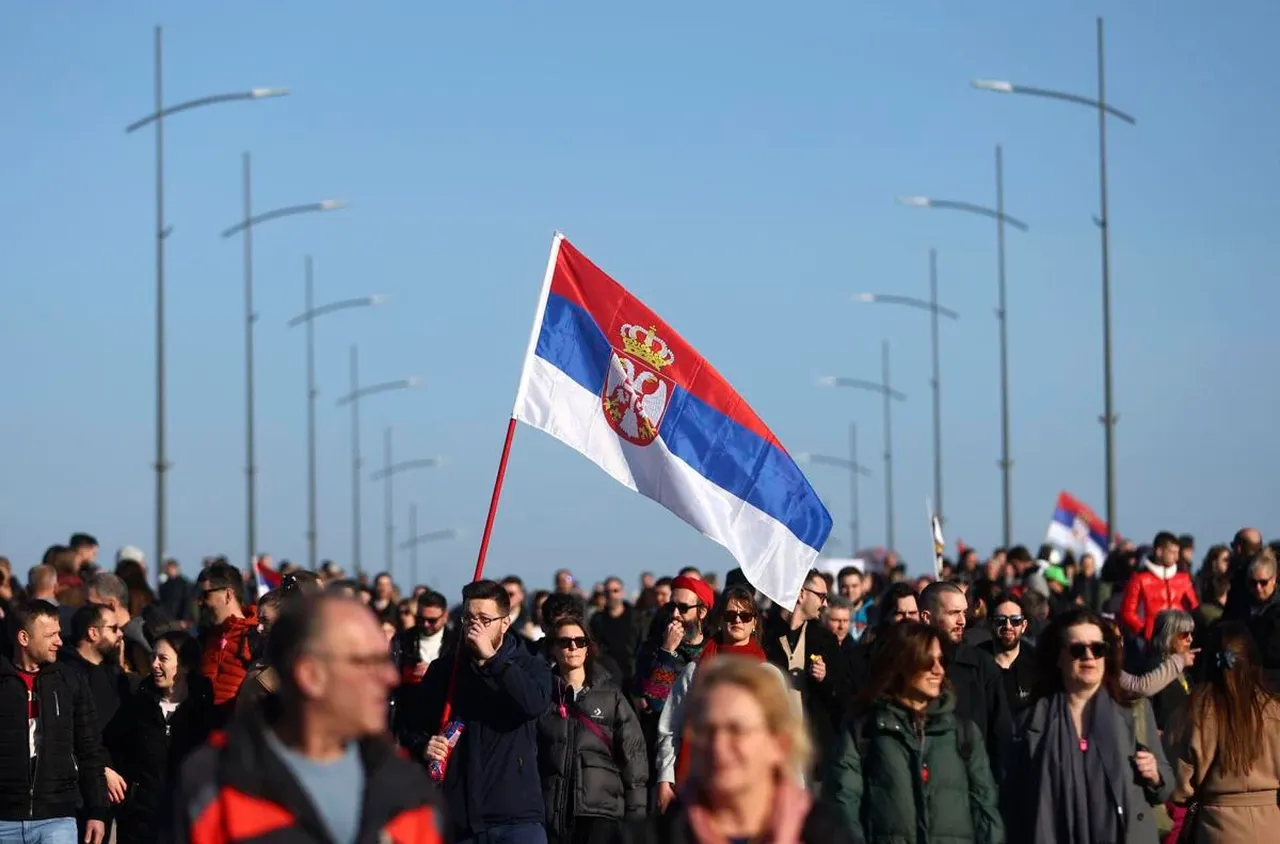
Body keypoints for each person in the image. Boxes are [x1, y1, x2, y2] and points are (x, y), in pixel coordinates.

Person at [166, 594, 443, 842]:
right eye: (366, 662)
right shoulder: (215, 786)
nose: (390, 677)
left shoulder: (405, 789)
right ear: (310, 674)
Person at [612, 656, 855, 844]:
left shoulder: (825, 835)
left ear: (779, 744)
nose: (718, 746)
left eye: (737, 730)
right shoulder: (650, 837)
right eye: (707, 730)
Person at [1003, 607, 1174, 843]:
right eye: (1077, 649)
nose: (1089, 656)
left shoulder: (1134, 712)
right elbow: (1011, 803)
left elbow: (1165, 787)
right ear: (1058, 657)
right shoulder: (1029, 722)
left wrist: (1155, 775)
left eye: (1098, 649)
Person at [825, 622, 1004, 843]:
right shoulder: (865, 732)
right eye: (928, 661)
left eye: (941, 661)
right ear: (902, 663)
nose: (938, 670)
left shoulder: (963, 734)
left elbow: (985, 810)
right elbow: (843, 806)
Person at [414, 580, 554, 844]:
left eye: (485, 620)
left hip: (516, 815)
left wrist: (493, 660)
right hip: (461, 818)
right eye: (469, 618)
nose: (475, 626)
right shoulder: (445, 670)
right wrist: (425, 745)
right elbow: (412, 726)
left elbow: (533, 704)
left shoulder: (530, 666)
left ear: (505, 622)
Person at [0, 599, 108, 844]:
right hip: (4, 819)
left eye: (59, 633)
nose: (59, 641)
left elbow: (89, 748)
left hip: (57, 818)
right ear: (24, 638)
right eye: (50, 635)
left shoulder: (70, 680)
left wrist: (98, 811)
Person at [1166, 621, 1280, 843]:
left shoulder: (1191, 714)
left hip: (1217, 829)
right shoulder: (1274, 711)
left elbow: (1176, 787)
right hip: (1272, 827)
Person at [655, 586, 767, 809]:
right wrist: (665, 779)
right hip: (700, 782)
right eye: (730, 615)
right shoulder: (695, 670)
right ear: (720, 620)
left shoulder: (768, 675)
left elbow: (783, 734)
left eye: (745, 616)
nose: (737, 620)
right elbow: (671, 727)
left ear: (754, 623)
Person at [537, 618, 647, 844]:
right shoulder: (541, 695)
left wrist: (636, 816)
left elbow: (634, 756)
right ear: (553, 648)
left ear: (588, 648)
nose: (573, 647)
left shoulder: (611, 695)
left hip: (600, 813)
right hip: (551, 813)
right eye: (565, 642)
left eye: (580, 641)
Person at [110, 631, 213, 844]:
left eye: (163, 659)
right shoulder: (139, 706)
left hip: (186, 822)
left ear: (184, 665)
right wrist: (107, 770)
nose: (154, 664)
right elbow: (108, 743)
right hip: (140, 822)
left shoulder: (204, 713)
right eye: (153, 657)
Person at [918, 581, 1011, 779]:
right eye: (953, 613)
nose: (962, 621)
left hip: (972, 778)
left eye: (964, 612)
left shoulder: (981, 664)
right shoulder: (907, 664)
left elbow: (1001, 731)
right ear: (927, 617)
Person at [762, 569, 849, 777]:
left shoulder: (825, 640)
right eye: (821, 596)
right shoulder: (765, 635)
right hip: (772, 747)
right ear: (801, 594)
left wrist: (825, 678)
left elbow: (845, 692)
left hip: (813, 752)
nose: (825, 604)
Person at [195, 562, 258, 720]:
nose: (200, 602)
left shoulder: (255, 637)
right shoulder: (205, 638)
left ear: (228, 595)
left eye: (205, 595)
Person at [1120, 531, 1199, 641]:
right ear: (1159, 551)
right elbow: (1127, 612)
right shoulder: (1139, 579)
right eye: (1172, 552)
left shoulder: (1184, 579)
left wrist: (1188, 631)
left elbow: (1195, 608)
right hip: (1150, 643)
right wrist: (1145, 631)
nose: (1176, 557)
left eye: (1177, 552)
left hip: (1179, 638)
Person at [977, 593, 1037, 713]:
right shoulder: (976, 663)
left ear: (1024, 625)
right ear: (990, 625)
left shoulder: (1037, 662)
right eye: (1000, 620)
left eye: (1015, 621)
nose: (1008, 626)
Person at [589, 576, 641, 682]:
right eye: (607, 592)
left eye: (615, 591)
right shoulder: (597, 620)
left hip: (633, 676)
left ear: (622, 592)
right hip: (608, 678)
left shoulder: (637, 618)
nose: (611, 595)